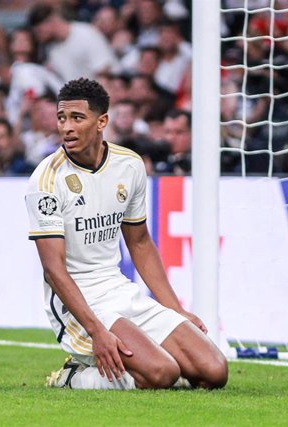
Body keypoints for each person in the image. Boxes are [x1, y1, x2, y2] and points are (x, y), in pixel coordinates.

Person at [24, 78, 227, 390]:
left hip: (119, 289)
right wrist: (96, 330)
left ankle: (131, 367)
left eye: (77, 118)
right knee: (162, 374)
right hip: (78, 302)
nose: (66, 127)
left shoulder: (129, 165)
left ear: (102, 121)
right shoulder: (47, 180)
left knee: (213, 372)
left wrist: (174, 309)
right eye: (61, 117)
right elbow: (54, 269)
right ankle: (74, 377)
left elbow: (141, 242)